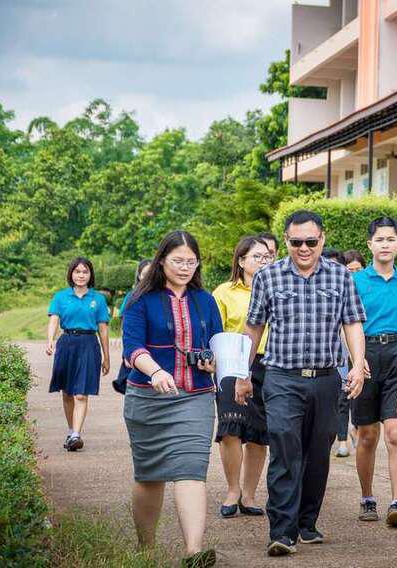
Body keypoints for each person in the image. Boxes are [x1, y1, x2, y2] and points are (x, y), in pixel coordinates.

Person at [236, 210, 367, 557]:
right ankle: (281, 531)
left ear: (322, 239)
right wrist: (242, 374)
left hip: (326, 380)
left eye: (311, 241)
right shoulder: (268, 276)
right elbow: (254, 327)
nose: (304, 248)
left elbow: (353, 323)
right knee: (284, 448)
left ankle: (307, 522)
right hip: (281, 378)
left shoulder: (341, 276)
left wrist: (356, 365)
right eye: (296, 242)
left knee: (318, 455)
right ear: (286, 241)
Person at [122, 231, 222, 567]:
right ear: (162, 260)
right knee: (149, 474)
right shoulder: (140, 299)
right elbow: (133, 347)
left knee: (191, 468)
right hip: (147, 398)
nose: (184, 267)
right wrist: (155, 371)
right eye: (178, 260)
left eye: (191, 261)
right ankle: (146, 549)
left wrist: (212, 361)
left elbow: (216, 344)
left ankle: (193, 553)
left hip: (195, 396)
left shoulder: (205, 301)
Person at [352, 217, 397, 527]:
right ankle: (367, 497)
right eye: (379, 239)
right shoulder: (356, 282)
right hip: (366, 356)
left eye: (391, 239)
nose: (385, 244)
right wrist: (355, 358)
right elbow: (346, 324)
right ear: (370, 244)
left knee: (396, 434)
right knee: (367, 436)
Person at [212, 236, 273, 518]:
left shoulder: (277, 288)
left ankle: (249, 494)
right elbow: (215, 330)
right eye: (257, 256)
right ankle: (232, 489)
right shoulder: (224, 292)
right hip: (231, 361)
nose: (263, 261)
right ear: (241, 260)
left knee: (259, 432)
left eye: (267, 256)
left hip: (269, 362)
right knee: (230, 428)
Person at [46, 257, 111, 452]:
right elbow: (54, 320)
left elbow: (103, 329)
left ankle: (76, 434)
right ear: (71, 274)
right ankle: (71, 430)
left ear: (90, 275)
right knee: (67, 392)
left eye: (85, 272)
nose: (81, 275)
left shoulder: (98, 299)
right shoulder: (61, 297)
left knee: (81, 394)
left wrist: (107, 357)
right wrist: (50, 340)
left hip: (89, 344)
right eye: (77, 271)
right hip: (66, 343)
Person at [320, 249, 355, 460]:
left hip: (345, 354)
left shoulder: (348, 290)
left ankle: (344, 438)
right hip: (319, 361)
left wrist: (357, 358)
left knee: (344, 398)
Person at [112, 259, 152, 395]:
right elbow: (126, 326)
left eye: (151, 273)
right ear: (139, 276)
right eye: (145, 274)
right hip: (138, 346)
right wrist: (126, 353)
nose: (148, 277)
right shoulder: (132, 296)